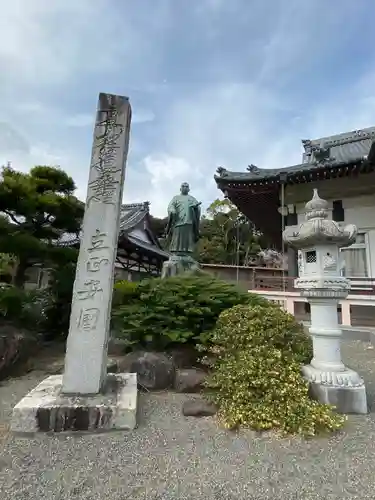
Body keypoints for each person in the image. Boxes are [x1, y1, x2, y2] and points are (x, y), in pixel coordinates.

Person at [165, 182, 201, 256]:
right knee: (177, 237)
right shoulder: (176, 198)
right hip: (178, 221)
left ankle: (187, 252)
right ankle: (176, 252)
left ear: (189, 189)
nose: (185, 187)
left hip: (189, 221)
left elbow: (198, 208)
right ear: (180, 188)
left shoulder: (192, 199)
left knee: (188, 238)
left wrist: (196, 208)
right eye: (183, 186)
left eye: (186, 186)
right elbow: (170, 206)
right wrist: (172, 210)